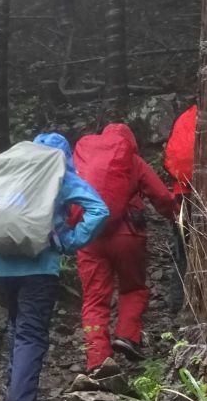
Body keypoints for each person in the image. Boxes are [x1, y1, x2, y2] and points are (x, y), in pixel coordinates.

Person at [0, 133, 108, 401]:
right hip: (39, 269)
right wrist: (66, 241)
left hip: (2, 270)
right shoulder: (59, 174)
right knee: (30, 333)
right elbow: (98, 209)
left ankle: (18, 396)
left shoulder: (9, 175)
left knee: (18, 327)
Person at [75, 124, 175, 371]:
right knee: (133, 288)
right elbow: (161, 195)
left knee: (94, 299)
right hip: (128, 234)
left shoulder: (86, 159)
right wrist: (178, 218)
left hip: (90, 235)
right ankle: (127, 336)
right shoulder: (133, 160)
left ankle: (97, 358)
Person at [163, 104, 197, 310]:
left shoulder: (184, 118)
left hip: (182, 194)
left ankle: (177, 301)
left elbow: (170, 158)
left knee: (183, 249)